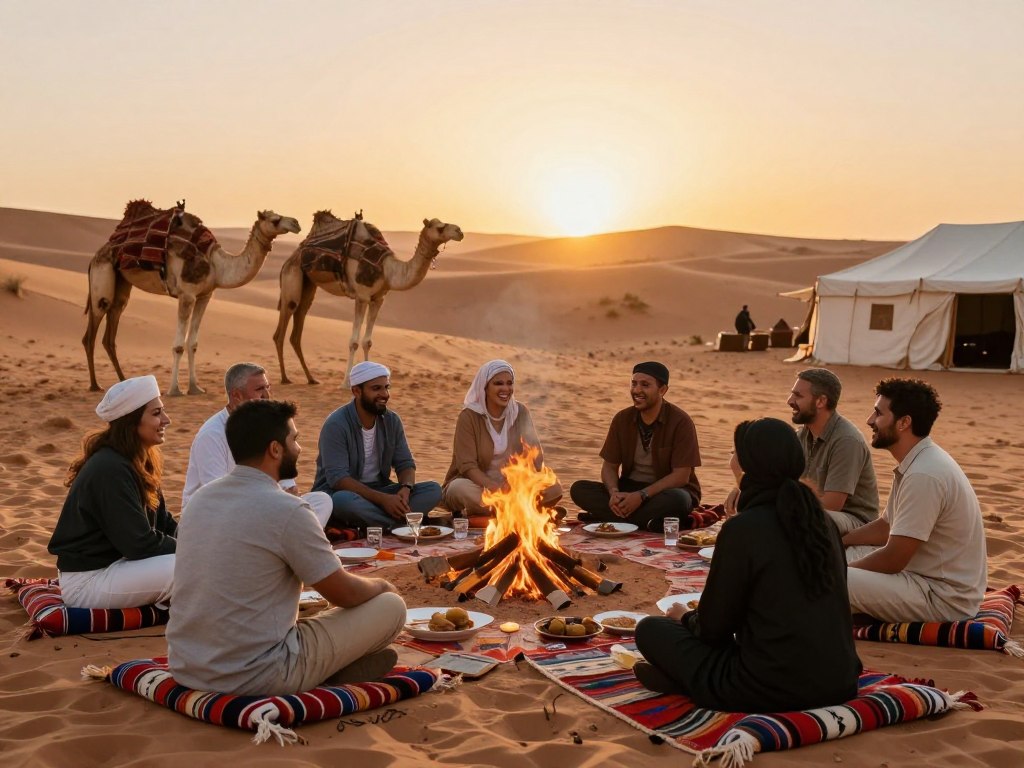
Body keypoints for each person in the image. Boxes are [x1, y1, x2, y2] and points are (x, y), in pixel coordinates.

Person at [168, 399, 406, 695]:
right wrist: (382, 586)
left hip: (187, 666)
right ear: (275, 449)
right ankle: (323, 674)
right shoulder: (286, 509)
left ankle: (335, 669)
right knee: (392, 607)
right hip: (257, 674)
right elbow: (343, 593)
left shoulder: (199, 501)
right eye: (294, 438)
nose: (299, 447)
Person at [633, 418, 861, 712]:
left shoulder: (744, 528)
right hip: (840, 682)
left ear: (751, 465)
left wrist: (684, 618)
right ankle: (680, 677)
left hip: (771, 687)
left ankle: (683, 680)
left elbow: (714, 629)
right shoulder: (823, 522)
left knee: (650, 629)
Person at [843, 378, 987, 623]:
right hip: (920, 578)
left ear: (904, 422)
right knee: (841, 554)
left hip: (941, 598)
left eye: (878, 413)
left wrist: (835, 569)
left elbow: (893, 559)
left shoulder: (924, 473)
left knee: (824, 577)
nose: (869, 420)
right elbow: (886, 527)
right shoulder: (918, 461)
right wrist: (837, 543)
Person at [47, 375, 177, 609]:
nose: (166, 420)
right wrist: (194, 549)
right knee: (188, 567)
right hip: (88, 581)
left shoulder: (137, 459)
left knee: (195, 556)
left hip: (121, 566)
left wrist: (198, 540)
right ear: (132, 421)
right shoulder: (110, 469)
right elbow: (140, 544)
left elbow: (164, 522)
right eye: (156, 413)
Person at [181, 361, 331, 525]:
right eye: (260, 389)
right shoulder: (212, 434)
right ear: (236, 395)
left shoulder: (265, 425)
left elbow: (288, 486)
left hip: (261, 504)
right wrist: (267, 501)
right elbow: (219, 495)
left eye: (268, 387)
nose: (267, 395)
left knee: (321, 501)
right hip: (218, 517)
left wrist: (286, 496)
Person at [569, 362, 701, 531]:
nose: (637, 390)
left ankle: (614, 518)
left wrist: (642, 496)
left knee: (679, 500)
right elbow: (609, 466)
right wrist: (614, 493)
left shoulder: (681, 422)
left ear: (662, 390)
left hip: (663, 492)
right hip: (628, 489)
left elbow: (681, 476)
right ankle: (646, 522)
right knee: (579, 489)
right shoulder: (622, 419)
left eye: (645, 385)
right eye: (634, 384)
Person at [312, 361, 441, 531]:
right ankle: (398, 524)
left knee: (433, 490)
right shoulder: (336, 424)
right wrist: (383, 501)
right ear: (356, 391)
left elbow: (405, 464)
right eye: (376, 389)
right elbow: (338, 479)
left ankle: (378, 523)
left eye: (386, 387)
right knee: (343, 502)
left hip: (381, 490)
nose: (385, 394)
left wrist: (406, 488)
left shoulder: (391, 421)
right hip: (345, 493)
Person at [442, 360, 562, 519]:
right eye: (498, 383)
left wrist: (520, 482)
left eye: (509, 383)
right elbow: (467, 467)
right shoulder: (469, 417)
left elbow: (536, 457)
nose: (505, 389)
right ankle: (525, 512)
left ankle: (502, 511)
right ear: (485, 387)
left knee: (554, 488)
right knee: (459, 489)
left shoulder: (520, 412)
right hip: (478, 486)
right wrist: (495, 487)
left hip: (514, 487)